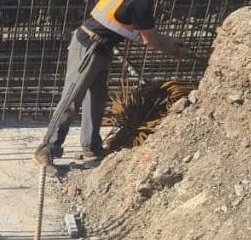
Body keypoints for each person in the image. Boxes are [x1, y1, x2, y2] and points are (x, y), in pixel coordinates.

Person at [33, 0, 192, 173]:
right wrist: (172, 49)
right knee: (72, 98)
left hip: (101, 46)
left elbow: (142, 32)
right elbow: (149, 39)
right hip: (89, 45)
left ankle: (92, 149)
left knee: (96, 101)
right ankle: (47, 148)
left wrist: (170, 41)